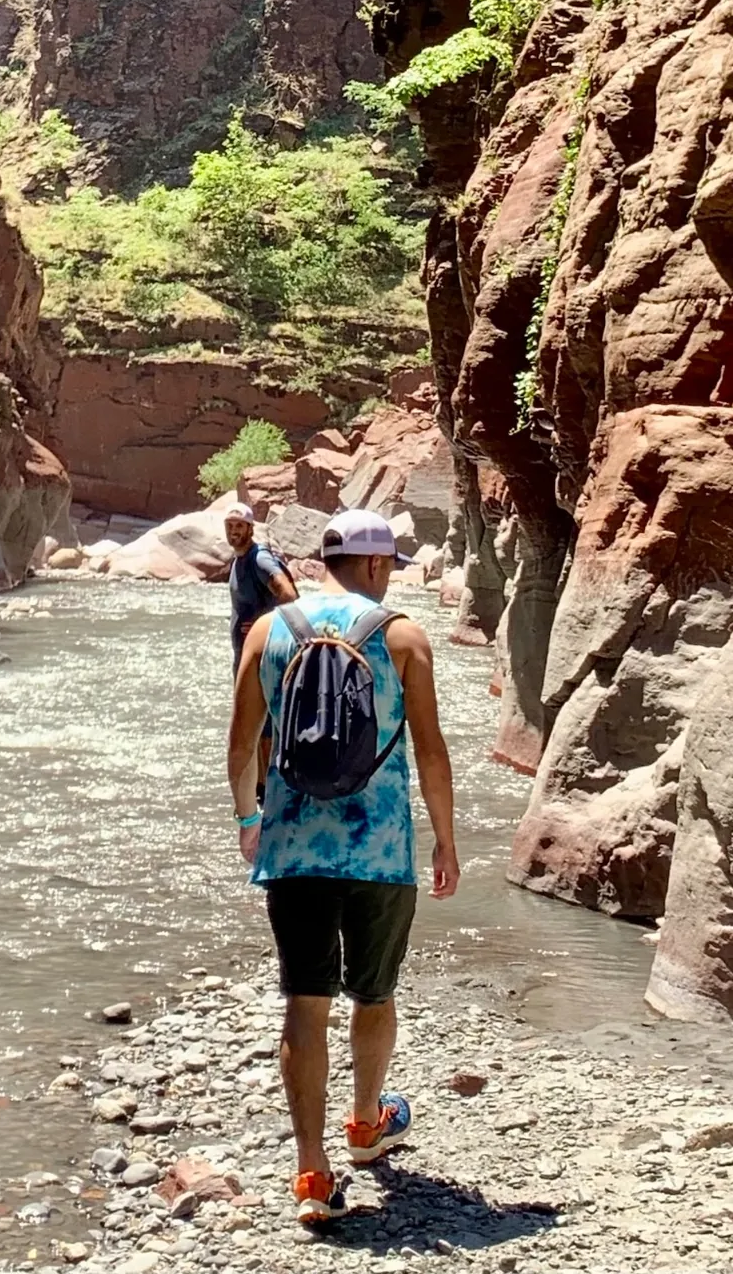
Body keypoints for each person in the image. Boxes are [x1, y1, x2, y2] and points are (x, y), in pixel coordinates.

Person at [225, 508, 460, 1227]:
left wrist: (249, 822)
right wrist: (445, 840)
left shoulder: (270, 631)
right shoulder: (403, 636)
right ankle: (365, 1124)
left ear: (326, 560)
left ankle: (310, 1170)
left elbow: (240, 749)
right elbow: (430, 753)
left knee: (305, 1001)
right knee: (374, 993)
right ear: (381, 565)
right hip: (381, 851)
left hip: (294, 849)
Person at [225, 502, 298, 674]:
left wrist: (263, 623)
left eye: (239, 525)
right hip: (246, 657)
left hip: (261, 661)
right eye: (229, 525)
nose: (233, 530)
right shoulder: (238, 560)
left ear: (250, 529)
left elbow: (289, 595)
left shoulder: (259, 558)